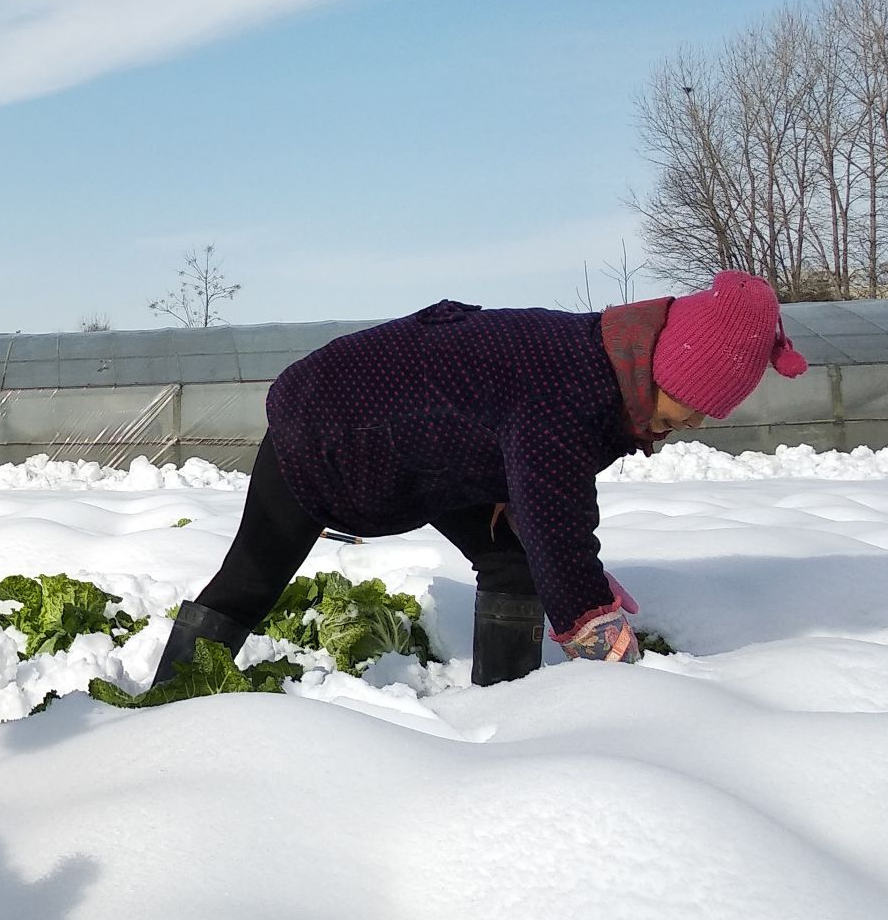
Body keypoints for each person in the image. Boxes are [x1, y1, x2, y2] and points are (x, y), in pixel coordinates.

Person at [155, 271, 809, 688]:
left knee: (510, 559)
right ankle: (167, 707)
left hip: (420, 448)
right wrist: (608, 651)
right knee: (250, 582)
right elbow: (558, 527)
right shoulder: (574, 392)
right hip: (326, 429)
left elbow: (505, 431)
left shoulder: (606, 363)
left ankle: (508, 707)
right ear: (661, 373)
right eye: (690, 405)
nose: (691, 422)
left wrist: (515, 500)